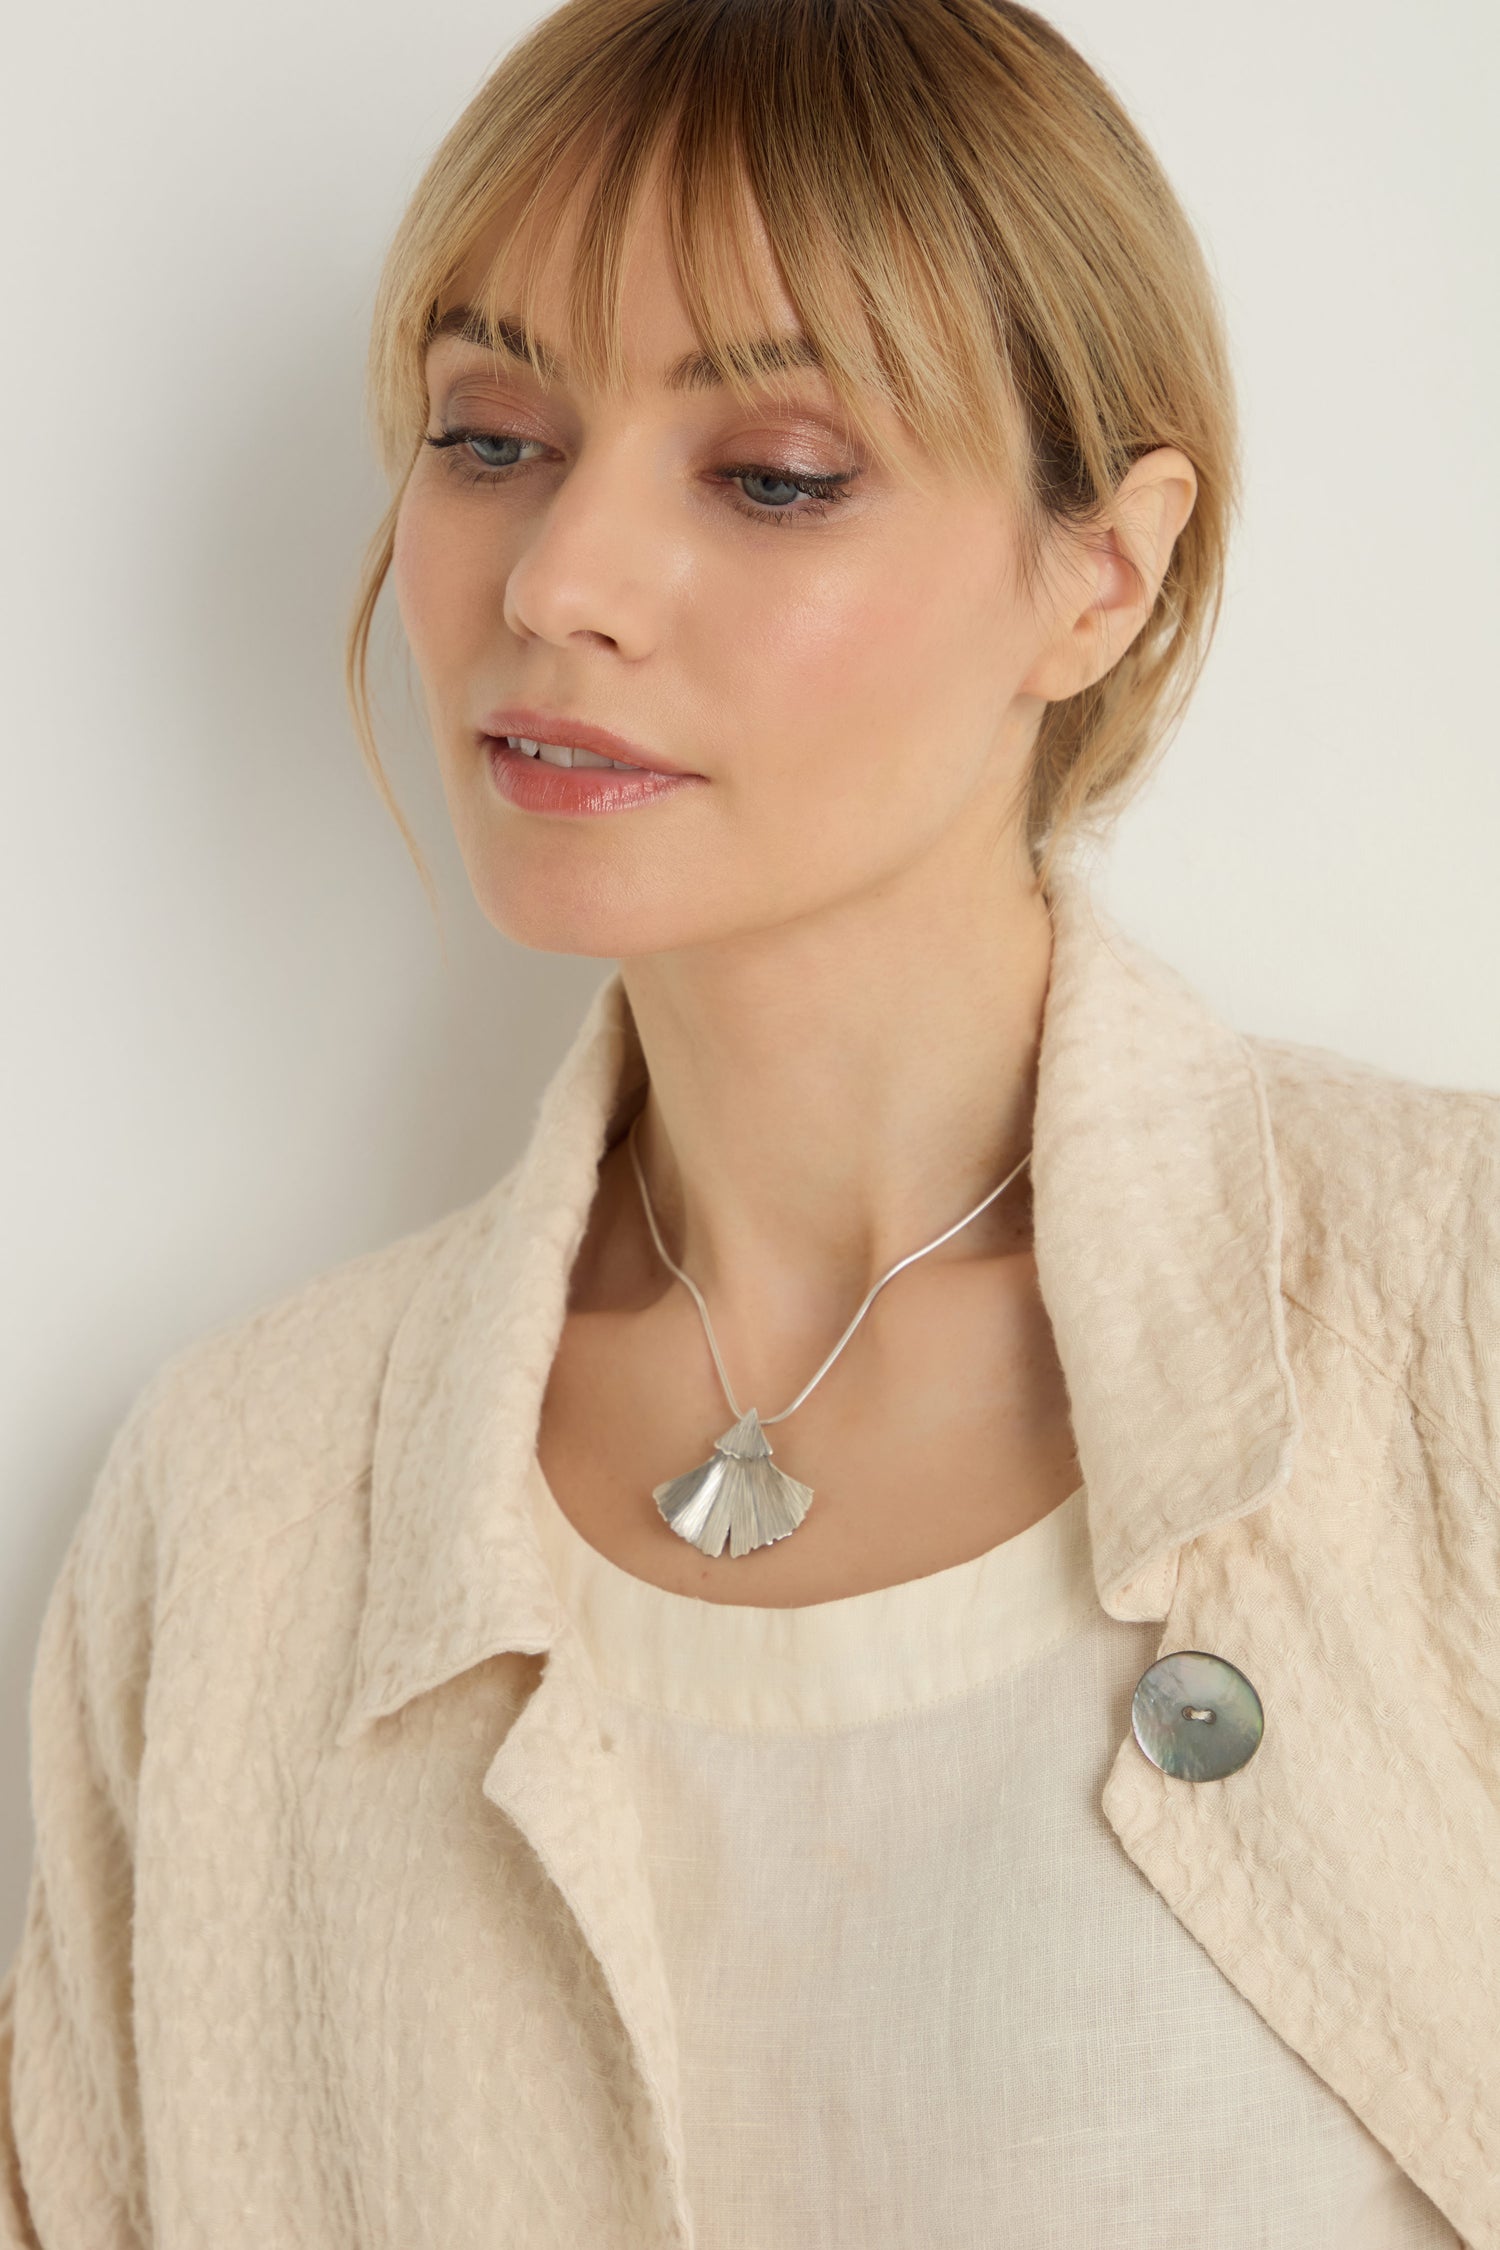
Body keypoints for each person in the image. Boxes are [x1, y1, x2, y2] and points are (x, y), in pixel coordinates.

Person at [3, 0, 1496, 2242]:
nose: (554, 584)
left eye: (772, 474)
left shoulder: (1448, 1319)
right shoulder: (240, 1514)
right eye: (489, 434)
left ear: (1107, 572)